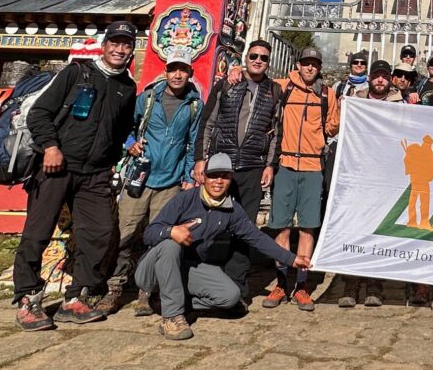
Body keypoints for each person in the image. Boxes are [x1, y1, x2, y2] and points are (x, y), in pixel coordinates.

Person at [13, 21, 138, 331]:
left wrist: (112, 159)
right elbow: (39, 113)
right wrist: (51, 147)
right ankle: (28, 298)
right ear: (104, 45)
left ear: (131, 51)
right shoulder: (76, 73)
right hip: (57, 166)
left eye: (126, 45)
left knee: (100, 232)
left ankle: (76, 297)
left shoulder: (127, 86)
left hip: (95, 173)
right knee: (38, 232)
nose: (119, 49)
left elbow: (122, 128)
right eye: (115, 43)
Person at [136, 153, 311, 341]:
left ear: (230, 179)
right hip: (154, 269)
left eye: (225, 176)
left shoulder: (232, 210)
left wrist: (292, 259)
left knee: (230, 296)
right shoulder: (185, 199)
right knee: (171, 245)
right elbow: (149, 233)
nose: (218, 181)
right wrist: (171, 231)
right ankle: (171, 316)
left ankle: (169, 300)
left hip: (189, 267)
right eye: (213, 175)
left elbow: (257, 238)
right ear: (204, 177)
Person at [99, 46, 203, 316]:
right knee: (125, 233)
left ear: (190, 73)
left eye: (183, 70)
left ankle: (146, 291)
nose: (177, 75)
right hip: (139, 178)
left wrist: (188, 177)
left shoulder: (194, 105)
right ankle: (115, 287)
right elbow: (125, 128)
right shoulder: (147, 99)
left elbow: (193, 144)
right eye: (173, 69)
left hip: (170, 183)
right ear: (165, 71)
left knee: (158, 239)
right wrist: (130, 144)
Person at [194, 40, 282, 303]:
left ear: (269, 63)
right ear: (246, 58)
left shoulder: (274, 90)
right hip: (223, 164)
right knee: (211, 224)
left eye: (263, 58)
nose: (258, 61)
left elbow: (276, 132)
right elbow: (208, 122)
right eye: (253, 56)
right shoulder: (227, 84)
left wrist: (270, 165)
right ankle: (203, 280)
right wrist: (200, 159)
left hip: (253, 167)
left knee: (245, 228)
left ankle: (237, 287)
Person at [262, 47, 339, 312]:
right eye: (306, 63)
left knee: (307, 227)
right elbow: (258, 80)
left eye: (314, 64)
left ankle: (302, 285)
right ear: (298, 65)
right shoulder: (283, 86)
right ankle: (282, 282)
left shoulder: (327, 94)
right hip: (285, 164)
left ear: (319, 68)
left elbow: (333, 127)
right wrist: (236, 69)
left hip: (312, 166)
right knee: (281, 227)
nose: (310, 68)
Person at [339, 60, 402, 308]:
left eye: (384, 76)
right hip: (359, 174)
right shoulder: (356, 101)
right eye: (376, 76)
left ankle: (375, 285)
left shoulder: (400, 104)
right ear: (370, 78)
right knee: (354, 229)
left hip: (385, 177)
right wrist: (343, 107)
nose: (380, 80)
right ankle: (351, 284)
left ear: (390, 79)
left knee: (379, 232)